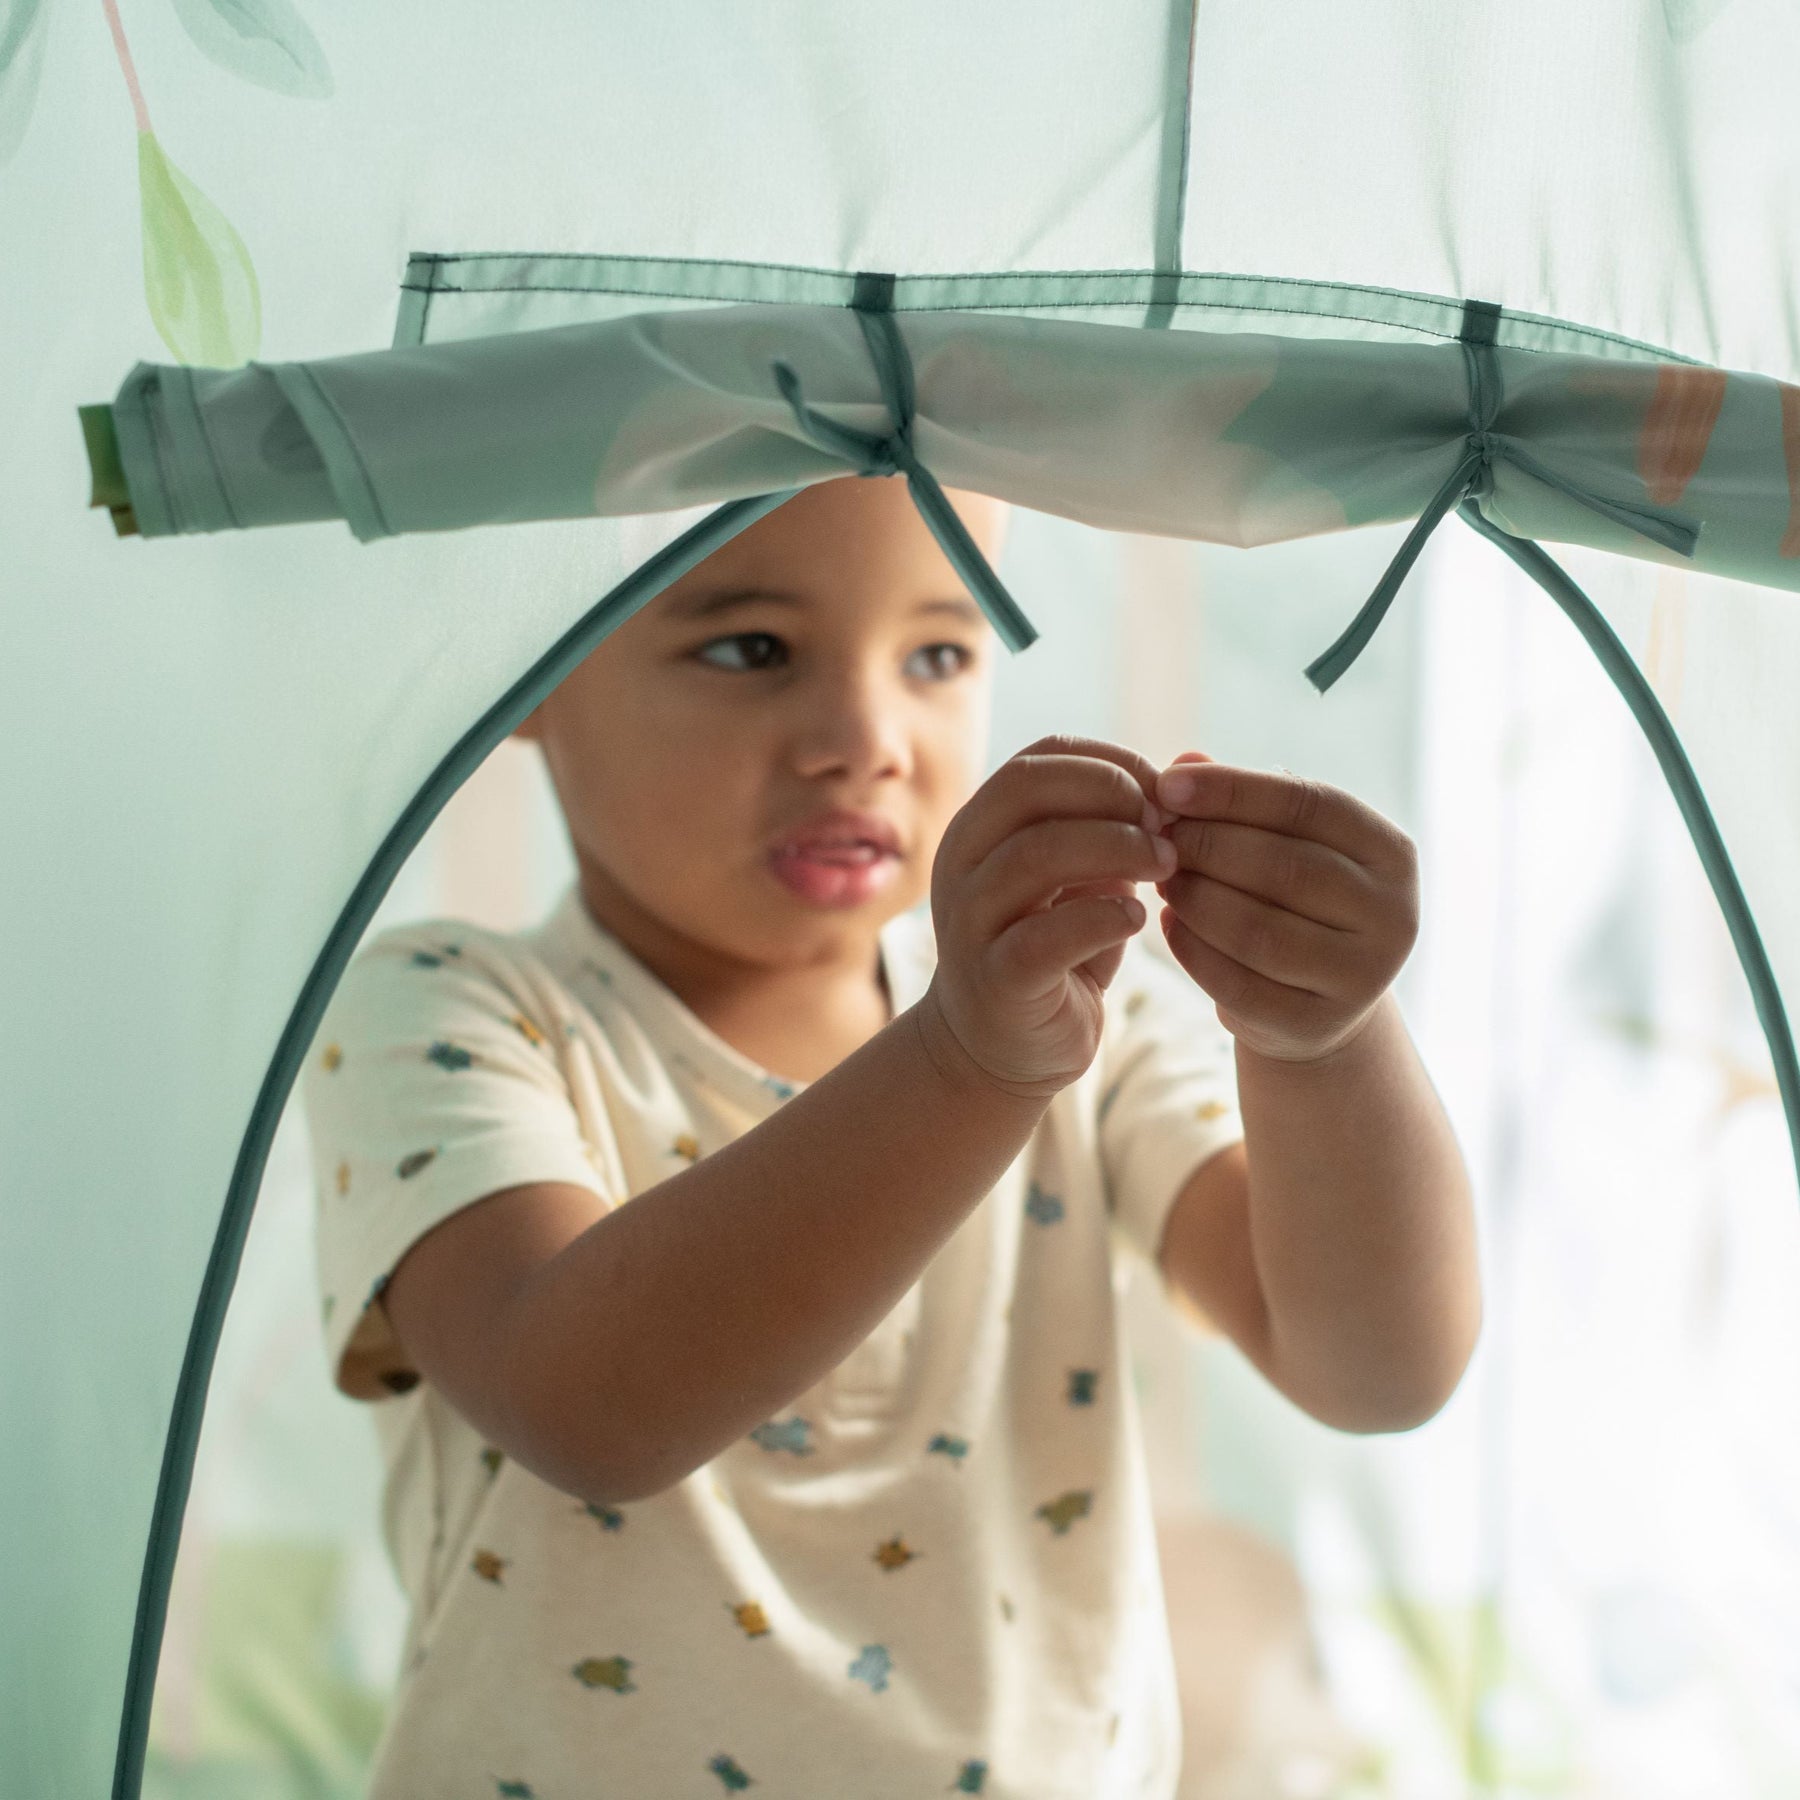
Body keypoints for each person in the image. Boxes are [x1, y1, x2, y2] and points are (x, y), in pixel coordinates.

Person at [300, 473, 1479, 1798]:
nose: (867, 736)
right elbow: (587, 1407)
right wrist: (966, 1061)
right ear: (530, 666)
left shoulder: (1093, 1022)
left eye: (937, 652)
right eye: (749, 648)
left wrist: (1327, 1047)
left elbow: (1376, 1371)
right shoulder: (446, 1009)